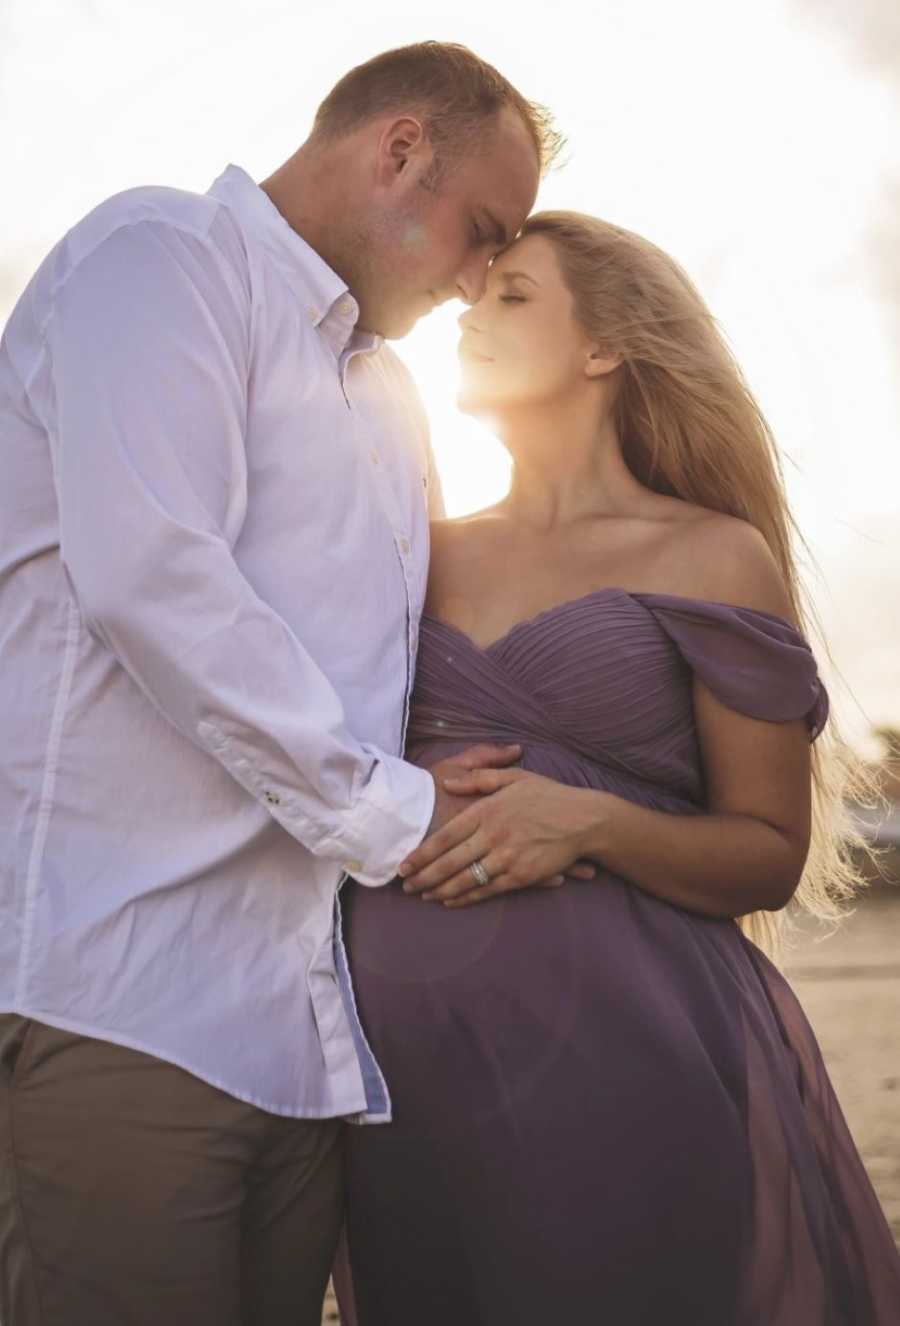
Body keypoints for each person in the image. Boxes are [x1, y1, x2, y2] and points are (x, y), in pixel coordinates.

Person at [0, 42, 566, 1326]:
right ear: (400, 148)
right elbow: (152, 578)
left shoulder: (391, 395)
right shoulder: (161, 260)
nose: (482, 280)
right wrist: (401, 815)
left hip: (307, 1044)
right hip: (122, 1004)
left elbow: (423, 654)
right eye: (482, 234)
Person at [340, 213, 900, 1324]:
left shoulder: (706, 552)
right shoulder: (413, 547)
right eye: (475, 295)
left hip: (626, 1062)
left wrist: (587, 821)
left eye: (514, 296)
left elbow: (768, 854)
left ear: (604, 347)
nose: (470, 318)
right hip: (403, 1081)